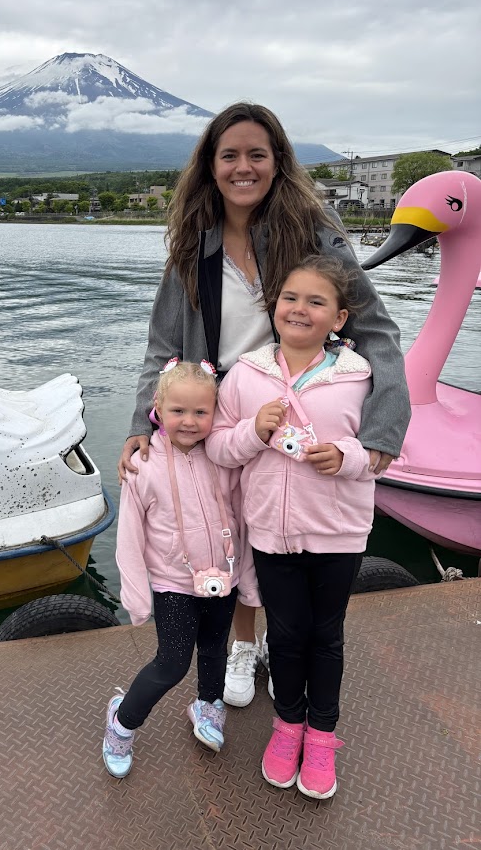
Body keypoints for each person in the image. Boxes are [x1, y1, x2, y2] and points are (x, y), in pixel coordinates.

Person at [117, 102, 410, 709]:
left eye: (257, 154)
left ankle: (279, 641)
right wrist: (141, 424)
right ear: (210, 164)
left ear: (279, 161)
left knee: (287, 527)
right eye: (229, 155)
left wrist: (383, 428)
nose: (243, 167)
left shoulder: (314, 231)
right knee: (237, 527)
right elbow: (163, 345)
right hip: (224, 412)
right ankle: (243, 644)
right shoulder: (193, 245)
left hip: (299, 404)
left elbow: (375, 330)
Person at [206, 254, 377, 799]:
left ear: (340, 319)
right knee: (284, 632)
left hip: (338, 530)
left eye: (316, 301)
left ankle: (322, 735)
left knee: (326, 635)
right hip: (271, 535)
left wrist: (346, 457)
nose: (300, 309)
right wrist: (254, 432)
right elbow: (219, 446)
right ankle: (287, 727)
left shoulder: (361, 379)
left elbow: (383, 448)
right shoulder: (245, 374)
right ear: (273, 306)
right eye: (290, 298)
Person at [102, 361, 261, 778]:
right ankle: (122, 722)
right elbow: (130, 537)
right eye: (178, 411)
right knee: (171, 663)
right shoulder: (143, 465)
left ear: (215, 412)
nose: (189, 422)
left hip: (221, 578)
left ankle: (208, 707)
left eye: (200, 412)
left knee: (214, 651)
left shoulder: (224, 459)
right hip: (174, 583)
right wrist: (136, 596)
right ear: (157, 407)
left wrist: (246, 577)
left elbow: (242, 517)